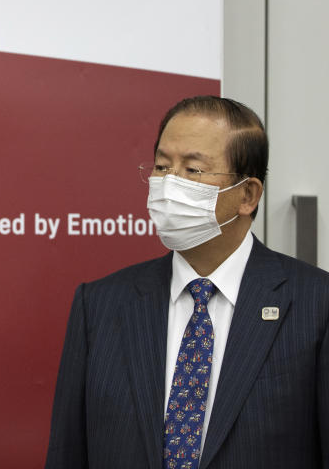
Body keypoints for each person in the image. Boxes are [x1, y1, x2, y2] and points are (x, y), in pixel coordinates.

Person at [45, 95, 329, 469]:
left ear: (248, 195)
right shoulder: (99, 306)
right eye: (162, 166)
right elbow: (69, 454)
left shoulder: (316, 306)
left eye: (193, 170)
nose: (168, 184)